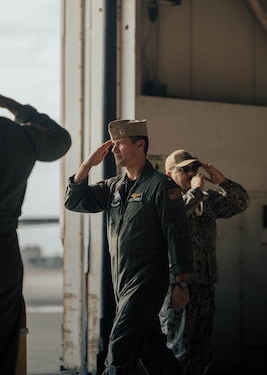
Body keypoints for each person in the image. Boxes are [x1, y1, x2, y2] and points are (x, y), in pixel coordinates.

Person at [64, 119, 193, 375]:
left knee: (119, 350)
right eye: (113, 145)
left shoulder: (161, 186)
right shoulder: (113, 187)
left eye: (120, 144)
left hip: (147, 281)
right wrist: (87, 165)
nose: (114, 150)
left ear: (140, 144)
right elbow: (75, 201)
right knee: (151, 347)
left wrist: (182, 283)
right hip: (122, 281)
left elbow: (177, 234)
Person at [159, 149, 249, 375]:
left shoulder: (207, 200)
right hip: (178, 286)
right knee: (177, 349)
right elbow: (174, 218)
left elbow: (241, 202)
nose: (192, 173)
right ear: (170, 174)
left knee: (202, 350)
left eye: (194, 168)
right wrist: (196, 191)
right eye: (185, 169)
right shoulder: (165, 197)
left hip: (205, 285)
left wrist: (223, 181)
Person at [0, 94, 71, 374]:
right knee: (6, 337)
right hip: (3, 252)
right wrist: (12, 106)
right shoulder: (17, 134)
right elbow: (60, 140)